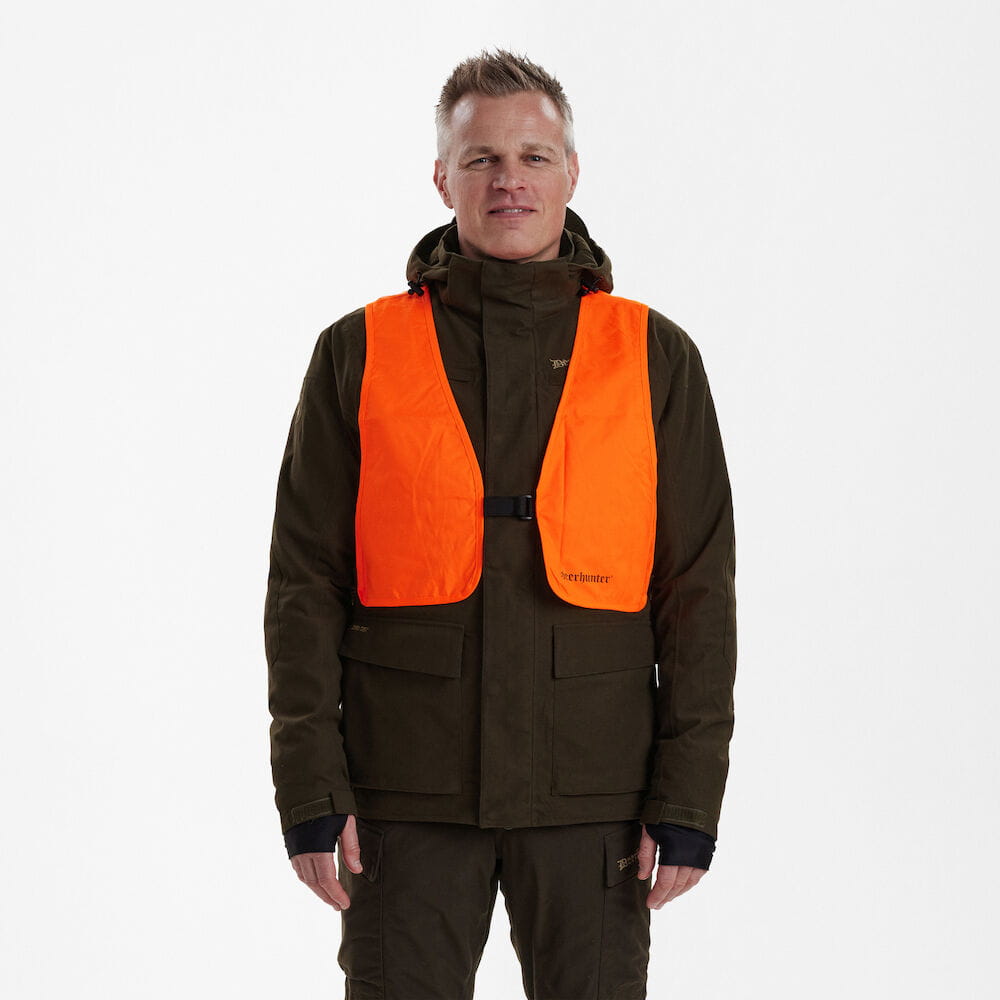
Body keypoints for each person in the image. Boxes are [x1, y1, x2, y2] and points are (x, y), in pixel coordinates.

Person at [265, 49, 736, 1000]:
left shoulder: (655, 356)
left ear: (572, 173)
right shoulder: (357, 351)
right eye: (481, 158)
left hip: (595, 798)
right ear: (443, 177)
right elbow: (303, 585)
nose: (509, 179)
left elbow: (697, 591)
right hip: (404, 793)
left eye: (534, 156)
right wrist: (311, 789)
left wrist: (687, 797)